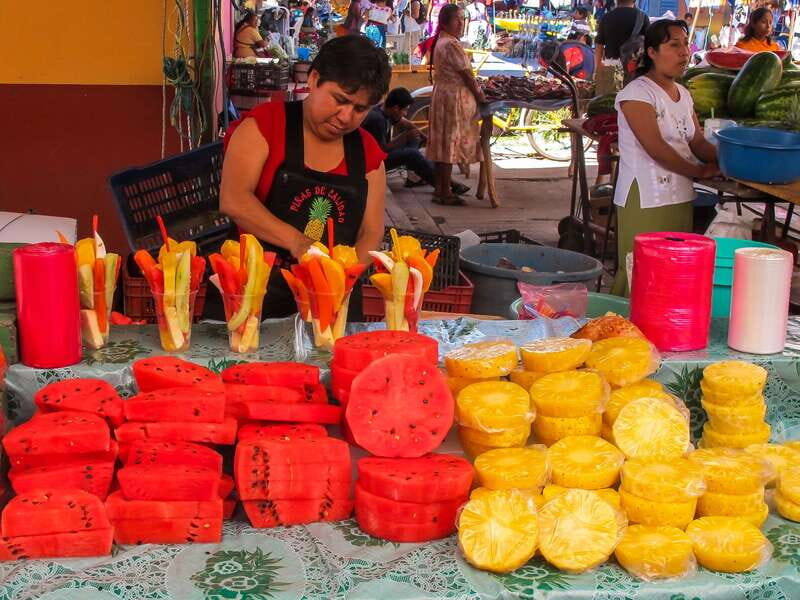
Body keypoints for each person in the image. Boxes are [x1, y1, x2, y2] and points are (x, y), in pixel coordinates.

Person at [219, 36, 391, 318]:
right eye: (340, 100)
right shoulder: (264, 126)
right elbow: (234, 200)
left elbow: (371, 231)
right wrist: (298, 243)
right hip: (254, 295)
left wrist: (342, 280)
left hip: (333, 303)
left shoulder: (368, 153)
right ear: (313, 79)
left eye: (360, 109)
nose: (346, 116)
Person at [611, 19, 719, 296]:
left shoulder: (683, 94)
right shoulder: (636, 93)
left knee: (671, 275)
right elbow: (655, 146)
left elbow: (695, 140)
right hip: (647, 196)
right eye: (674, 45)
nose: (684, 52)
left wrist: (727, 159)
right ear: (652, 52)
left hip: (681, 196)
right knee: (640, 272)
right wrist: (700, 172)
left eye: (685, 44)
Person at [426, 4, 485, 205]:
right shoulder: (450, 44)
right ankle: (444, 192)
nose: (461, 24)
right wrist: (479, 96)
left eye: (462, 19)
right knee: (448, 145)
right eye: (456, 20)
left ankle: (442, 189)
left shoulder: (442, 41)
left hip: (443, 95)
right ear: (445, 23)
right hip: (453, 99)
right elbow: (467, 75)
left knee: (443, 145)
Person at [361, 87, 471, 193]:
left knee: (415, 139)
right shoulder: (377, 120)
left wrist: (426, 139)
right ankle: (445, 184)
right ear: (395, 108)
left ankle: (416, 176)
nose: (405, 114)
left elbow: (407, 124)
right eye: (404, 110)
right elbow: (381, 151)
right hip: (374, 162)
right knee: (412, 154)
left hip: (383, 152)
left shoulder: (386, 109)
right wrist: (404, 138)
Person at [594, 0, 649, 84]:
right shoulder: (642, 17)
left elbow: (599, 44)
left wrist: (597, 67)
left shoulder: (607, 17)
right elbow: (649, 43)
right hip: (634, 68)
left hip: (611, 66)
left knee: (609, 96)